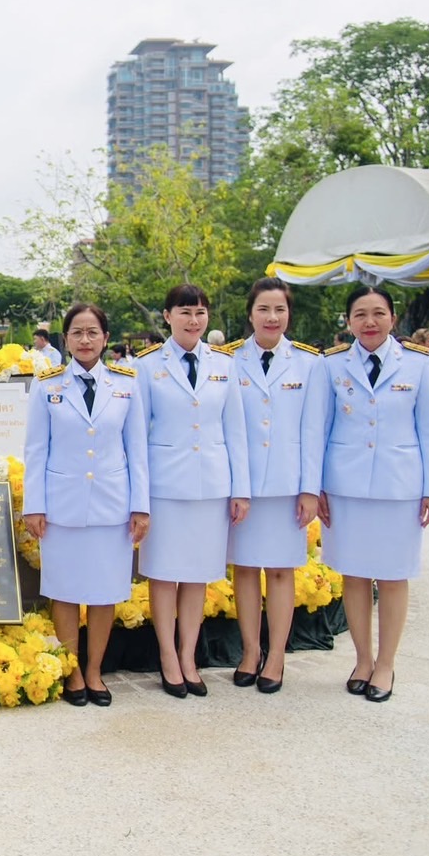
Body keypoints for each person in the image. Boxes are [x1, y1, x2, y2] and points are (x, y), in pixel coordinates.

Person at [319, 285, 429, 703]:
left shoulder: (418, 364)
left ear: (393, 318)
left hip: (399, 487)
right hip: (345, 486)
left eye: (377, 313)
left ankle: (386, 664)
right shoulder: (332, 365)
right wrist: (314, 486)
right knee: (353, 575)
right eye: (360, 314)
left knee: (392, 577)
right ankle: (362, 660)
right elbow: (320, 429)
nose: (369, 322)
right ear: (349, 321)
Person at [21, 303, 148, 708]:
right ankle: (72, 670)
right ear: (66, 339)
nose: (86, 340)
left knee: (104, 592)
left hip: (113, 505)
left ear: (106, 339)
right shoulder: (48, 385)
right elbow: (36, 451)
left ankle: (95, 671)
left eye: (93, 332)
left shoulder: (126, 384)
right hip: (63, 506)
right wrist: (34, 506)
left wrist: (140, 507)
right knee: (65, 591)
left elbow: (137, 450)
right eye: (77, 333)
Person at [134, 283, 249, 699]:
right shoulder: (147, 365)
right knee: (164, 574)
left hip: (211, 485)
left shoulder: (224, 364)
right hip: (165, 485)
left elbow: (235, 431)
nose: (193, 320)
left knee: (198, 574)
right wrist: (138, 497)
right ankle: (167, 654)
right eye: (184, 312)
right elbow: (136, 435)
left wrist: (242, 490)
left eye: (200, 312)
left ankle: (188, 656)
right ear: (167, 316)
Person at [225, 277, 328, 696]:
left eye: (280, 309)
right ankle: (251, 652)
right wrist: (235, 487)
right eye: (264, 309)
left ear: (289, 314)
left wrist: (310, 489)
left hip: (288, 487)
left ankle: (278, 656)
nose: (272, 317)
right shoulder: (229, 361)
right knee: (246, 570)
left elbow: (314, 430)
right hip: (244, 487)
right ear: (250, 313)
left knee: (282, 572)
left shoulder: (309, 363)